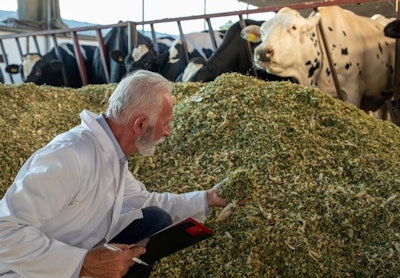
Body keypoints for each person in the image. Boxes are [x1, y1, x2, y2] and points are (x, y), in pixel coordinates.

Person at [0, 69, 227, 278]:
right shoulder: (70, 156)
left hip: (78, 252)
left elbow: (143, 201)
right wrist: (85, 262)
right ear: (139, 124)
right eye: (166, 123)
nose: (168, 132)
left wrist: (207, 198)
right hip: (33, 270)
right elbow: (5, 232)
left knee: (155, 219)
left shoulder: (112, 154)